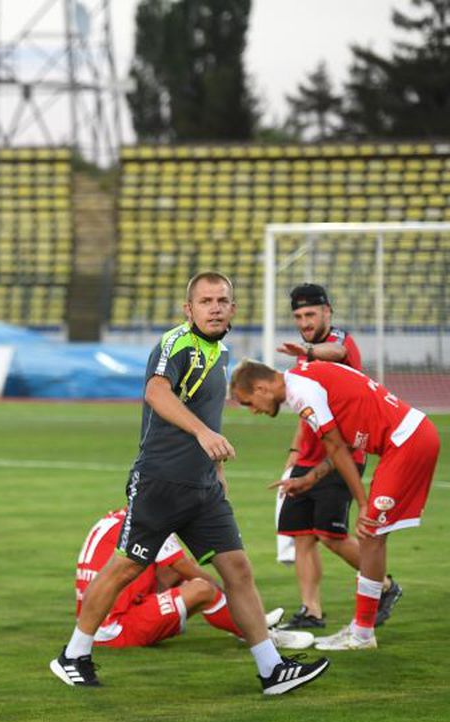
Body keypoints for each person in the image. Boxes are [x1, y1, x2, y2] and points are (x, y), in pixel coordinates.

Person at [49, 272, 330, 696]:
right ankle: (74, 654)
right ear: (189, 309)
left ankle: (271, 670)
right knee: (126, 566)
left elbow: (209, 418)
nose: (214, 307)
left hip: (203, 490)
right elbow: (156, 392)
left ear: (233, 309)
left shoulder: (221, 354)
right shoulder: (176, 343)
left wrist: (217, 473)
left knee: (237, 570)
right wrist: (202, 434)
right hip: (160, 483)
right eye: (205, 301)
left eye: (222, 300)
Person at [231, 358, 441, 651]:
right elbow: (348, 441)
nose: (252, 410)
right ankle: (362, 629)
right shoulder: (306, 376)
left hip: (406, 442)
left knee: (370, 535)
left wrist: (363, 503)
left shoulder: (300, 390)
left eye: (248, 401)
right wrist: (310, 479)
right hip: (408, 438)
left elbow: (336, 446)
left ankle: (362, 633)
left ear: (261, 387)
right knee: (372, 538)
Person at [273, 283, 401, 630]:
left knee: (331, 535)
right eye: (298, 316)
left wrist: (308, 351)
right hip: (309, 455)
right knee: (301, 535)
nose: (304, 321)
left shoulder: (336, 343)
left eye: (310, 314)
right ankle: (311, 611)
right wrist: (294, 453)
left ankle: (385, 585)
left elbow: (337, 352)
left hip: (341, 454)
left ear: (327, 311)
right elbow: (304, 411)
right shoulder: (307, 352)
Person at [75, 508, 315, 650]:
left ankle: (243, 620)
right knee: (201, 589)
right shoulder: (152, 523)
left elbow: (172, 570)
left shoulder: (115, 518)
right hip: (115, 630)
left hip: (92, 622)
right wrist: (235, 598)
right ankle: (257, 632)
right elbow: (187, 569)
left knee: (174, 573)